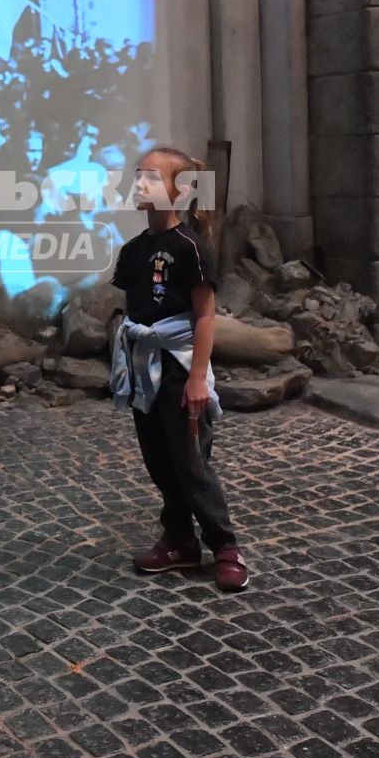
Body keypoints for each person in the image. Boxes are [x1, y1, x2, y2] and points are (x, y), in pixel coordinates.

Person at [107, 145, 248, 593]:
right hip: (145, 369)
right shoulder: (132, 252)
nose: (139, 185)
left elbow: (204, 317)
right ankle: (179, 541)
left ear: (181, 190)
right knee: (159, 459)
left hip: (179, 366)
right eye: (137, 177)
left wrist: (195, 378)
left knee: (191, 461)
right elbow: (134, 310)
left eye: (150, 177)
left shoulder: (190, 248)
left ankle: (225, 546)